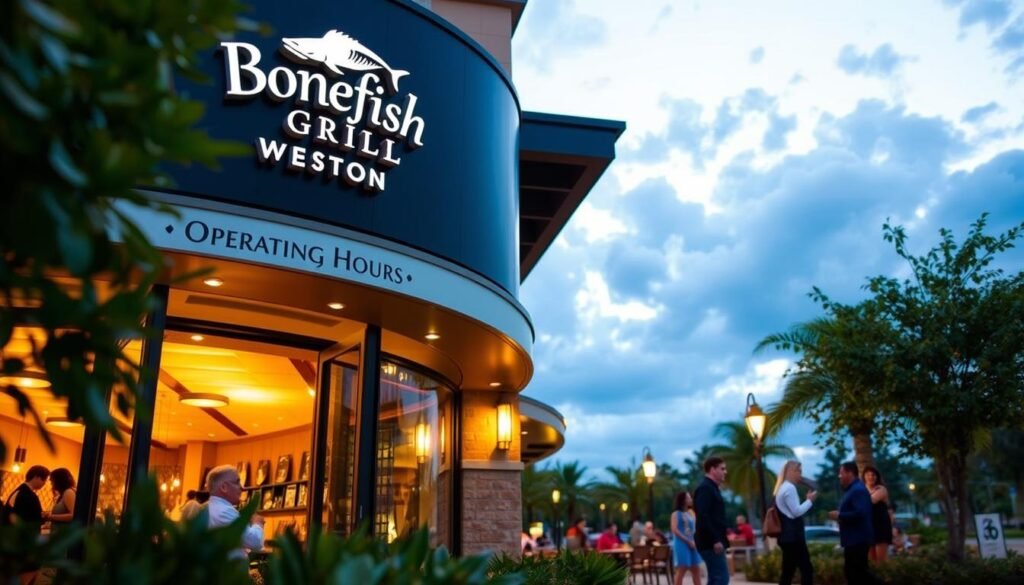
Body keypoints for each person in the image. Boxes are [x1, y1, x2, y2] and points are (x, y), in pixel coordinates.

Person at [829, 461, 880, 585]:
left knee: (858, 573)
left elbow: (861, 513)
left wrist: (839, 515)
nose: (839, 476)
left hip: (858, 539)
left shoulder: (858, 490)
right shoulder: (854, 489)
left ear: (850, 473)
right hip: (854, 539)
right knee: (853, 573)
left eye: (841, 473)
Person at [205, 464, 265, 561]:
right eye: (237, 482)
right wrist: (257, 523)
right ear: (224, 487)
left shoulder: (208, 508)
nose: (242, 488)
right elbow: (255, 542)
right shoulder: (223, 512)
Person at [774, 460, 817, 585]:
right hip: (794, 538)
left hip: (786, 538)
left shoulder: (782, 487)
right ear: (791, 471)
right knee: (806, 569)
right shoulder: (789, 488)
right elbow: (796, 512)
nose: (800, 474)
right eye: (799, 471)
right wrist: (809, 501)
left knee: (788, 571)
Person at [694, 456, 730, 585]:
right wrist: (715, 540)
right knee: (720, 578)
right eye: (722, 468)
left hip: (712, 541)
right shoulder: (706, 488)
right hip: (710, 543)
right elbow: (703, 516)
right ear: (712, 470)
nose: (725, 471)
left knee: (716, 578)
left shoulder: (711, 488)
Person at [2, 465, 50, 529]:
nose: (44, 483)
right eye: (44, 480)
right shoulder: (28, 495)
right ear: (36, 477)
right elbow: (34, 518)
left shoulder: (20, 490)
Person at [862, 465, 892, 563]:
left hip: (881, 526)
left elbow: (871, 501)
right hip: (868, 526)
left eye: (873, 475)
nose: (871, 477)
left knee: (881, 561)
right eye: (868, 475)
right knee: (871, 561)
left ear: (877, 477)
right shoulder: (861, 490)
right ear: (864, 477)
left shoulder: (881, 489)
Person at [670, 491, 701, 585]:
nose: (691, 499)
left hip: (692, 543)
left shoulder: (691, 513)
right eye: (688, 498)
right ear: (683, 500)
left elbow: (694, 529)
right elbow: (674, 530)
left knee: (696, 569)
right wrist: (687, 541)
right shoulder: (675, 514)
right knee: (682, 568)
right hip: (681, 543)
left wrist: (695, 541)